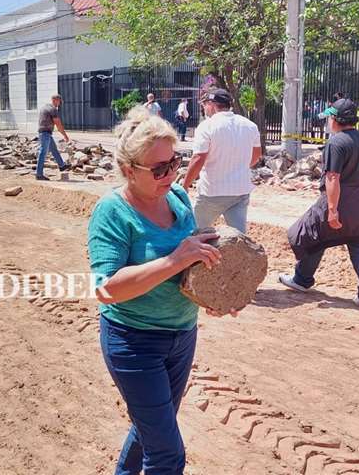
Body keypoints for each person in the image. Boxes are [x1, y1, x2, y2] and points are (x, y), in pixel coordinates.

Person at [88, 105, 232, 475]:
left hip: (182, 335)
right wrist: (174, 260)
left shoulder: (178, 199)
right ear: (127, 170)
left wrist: (213, 287)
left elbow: (188, 259)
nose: (171, 174)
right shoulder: (112, 212)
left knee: (150, 428)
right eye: (159, 169)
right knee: (167, 454)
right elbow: (106, 289)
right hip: (134, 342)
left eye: (175, 162)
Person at [280, 98, 359, 310]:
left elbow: (333, 178)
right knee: (356, 244)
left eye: (330, 116)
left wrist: (332, 209)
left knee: (309, 235)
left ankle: (301, 280)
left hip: (338, 199)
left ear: (337, 119)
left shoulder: (336, 143)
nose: (328, 120)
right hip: (358, 199)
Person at [182, 88, 262, 233]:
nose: (203, 108)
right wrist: (240, 166)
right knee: (239, 237)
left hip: (212, 192)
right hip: (240, 191)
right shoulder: (250, 125)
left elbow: (198, 158)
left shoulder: (207, 126)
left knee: (194, 232)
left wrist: (185, 185)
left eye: (204, 104)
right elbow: (257, 155)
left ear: (211, 104)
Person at [36, 94, 71, 181]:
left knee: (54, 150)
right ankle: (39, 174)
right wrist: (65, 136)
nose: (59, 104)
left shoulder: (45, 107)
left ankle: (62, 166)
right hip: (45, 133)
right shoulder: (53, 109)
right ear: (55, 100)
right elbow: (58, 124)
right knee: (43, 152)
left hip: (44, 132)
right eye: (59, 102)